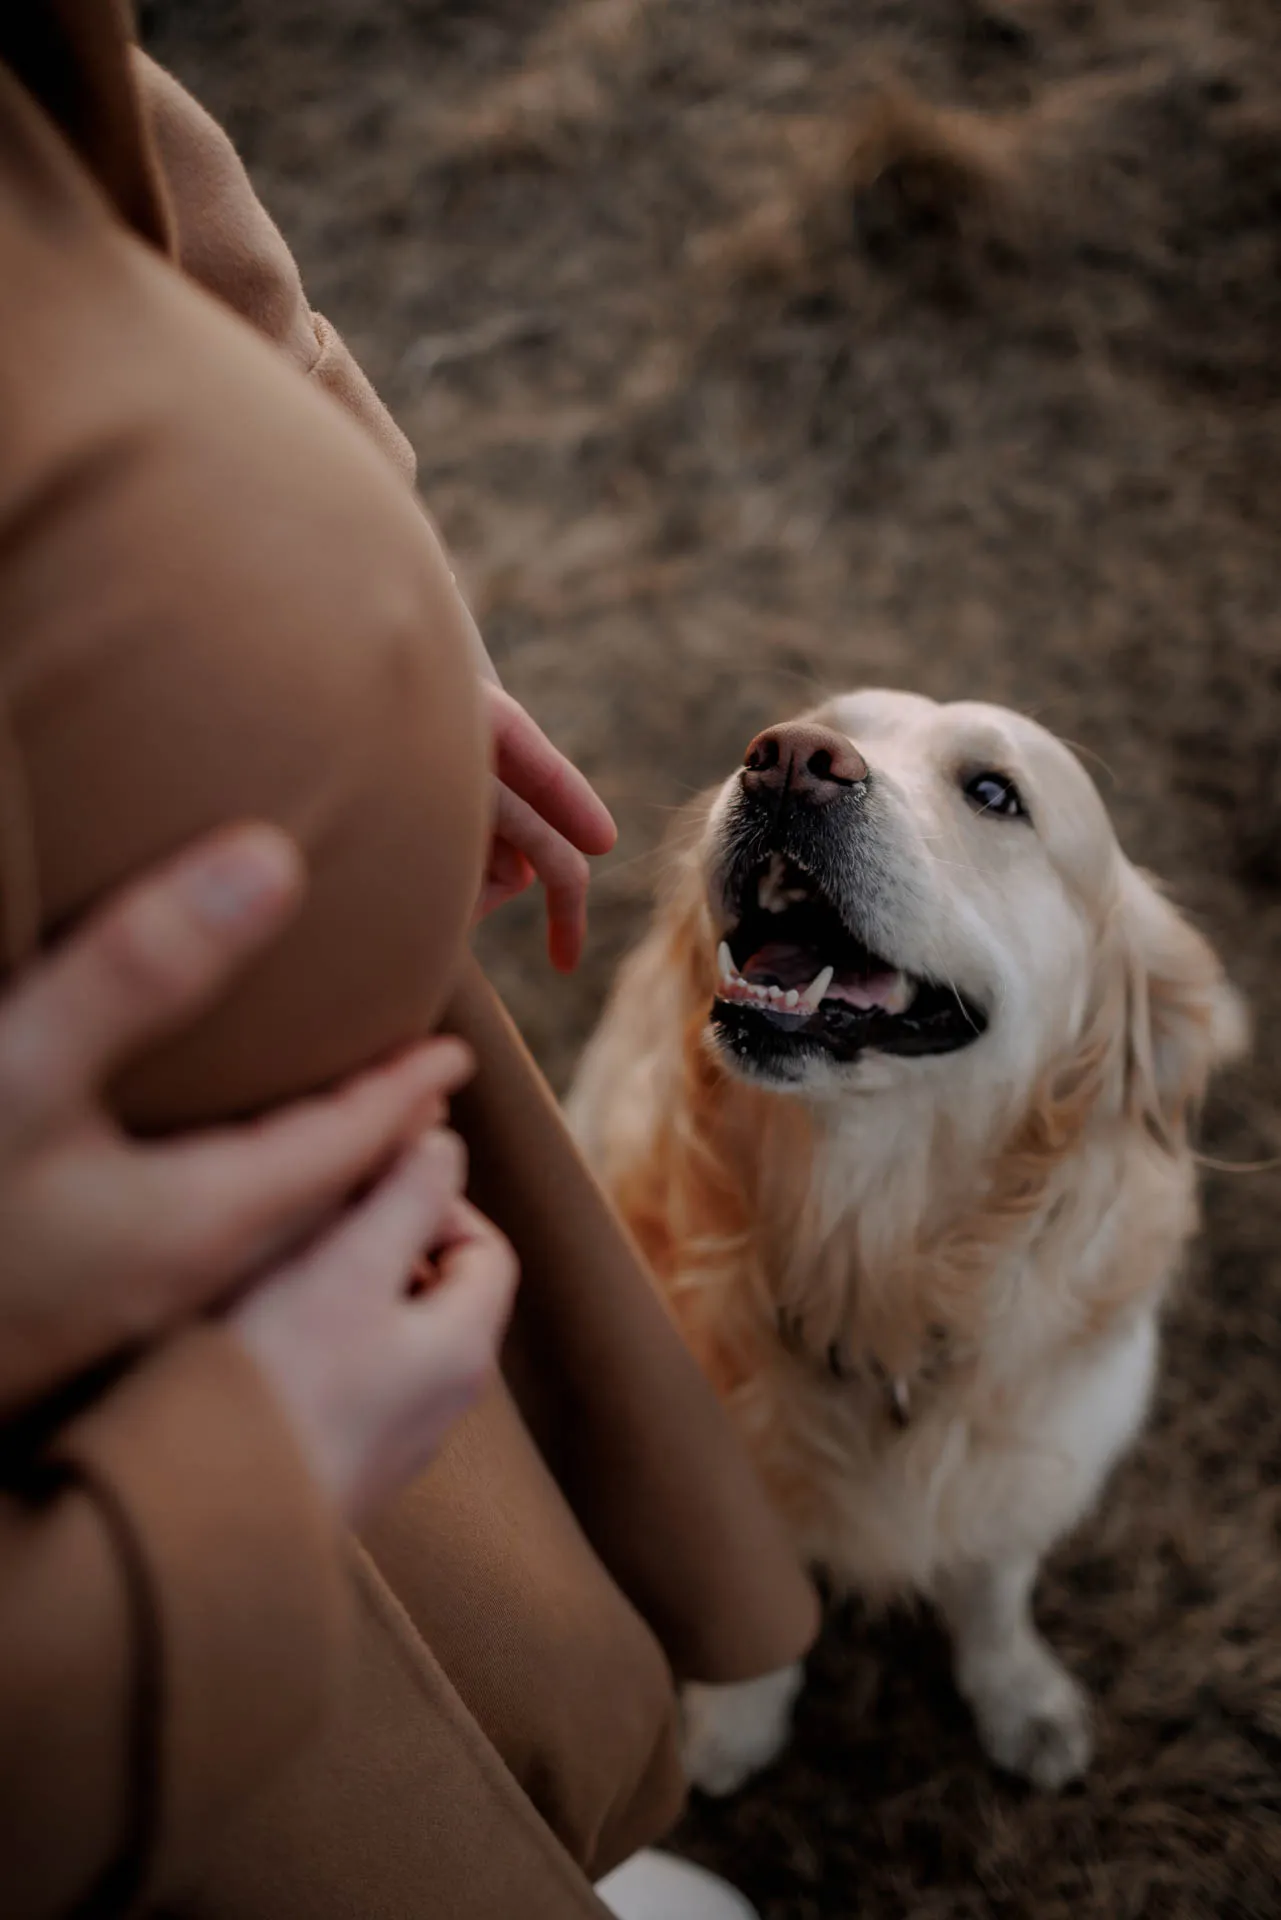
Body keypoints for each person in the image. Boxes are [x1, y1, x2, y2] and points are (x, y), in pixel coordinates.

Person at [0, 6, 819, 1916]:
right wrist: (183, 1539)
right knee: (288, 1797)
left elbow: (99, 124)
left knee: (454, 1580)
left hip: (234, 1056)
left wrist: (305, 509)